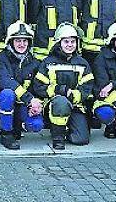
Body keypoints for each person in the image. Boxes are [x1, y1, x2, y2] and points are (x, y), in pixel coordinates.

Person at [32, 22, 94, 150]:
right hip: (54, 105)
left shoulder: (83, 63)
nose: (70, 45)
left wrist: (72, 97)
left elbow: (87, 88)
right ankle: (58, 137)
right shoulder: (48, 62)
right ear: (59, 43)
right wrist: (60, 90)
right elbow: (39, 86)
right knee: (61, 102)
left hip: (75, 106)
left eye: (73, 41)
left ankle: (66, 128)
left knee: (81, 139)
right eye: (66, 42)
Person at [0, 21, 44, 150]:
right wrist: (29, 98)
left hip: (23, 104)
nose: (22, 44)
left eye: (25, 41)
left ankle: (18, 125)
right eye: (17, 41)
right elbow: (4, 81)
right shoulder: (1, 58)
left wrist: (36, 105)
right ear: (10, 41)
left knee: (36, 125)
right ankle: (6, 134)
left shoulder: (35, 62)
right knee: (7, 94)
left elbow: (38, 87)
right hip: (4, 102)